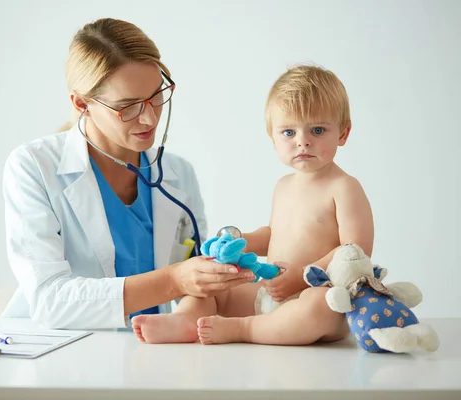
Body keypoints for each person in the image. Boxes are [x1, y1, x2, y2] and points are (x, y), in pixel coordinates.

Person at [0, 18, 255, 329]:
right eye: (127, 106)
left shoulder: (179, 175)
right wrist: (175, 280)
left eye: (155, 96)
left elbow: (197, 287)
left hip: (148, 352)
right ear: (82, 103)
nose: (149, 118)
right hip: (57, 354)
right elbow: (50, 301)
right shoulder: (33, 167)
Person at [132, 64, 374, 345]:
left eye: (317, 130)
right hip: (271, 292)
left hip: (317, 294)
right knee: (210, 284)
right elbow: (274, 235)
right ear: (272, 136)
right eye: (288, 133)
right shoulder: (283, 186)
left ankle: (242, 329)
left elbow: (355, 252)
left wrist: (301, 276)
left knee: (320, 306)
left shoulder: (344, 187)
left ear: (342, 134)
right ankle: (186, 320)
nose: (303, 142)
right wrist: (242, 241)